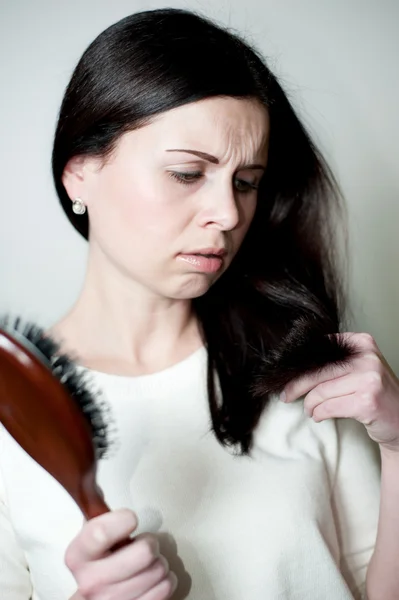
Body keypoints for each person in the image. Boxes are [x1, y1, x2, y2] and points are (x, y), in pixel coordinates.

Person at [0, 7, 398, 600]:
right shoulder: (15, 420)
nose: (230, 214)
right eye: (188, 173)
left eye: (246, 181)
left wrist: (398, 443)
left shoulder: (307, 376)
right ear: (79, 175)